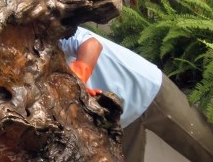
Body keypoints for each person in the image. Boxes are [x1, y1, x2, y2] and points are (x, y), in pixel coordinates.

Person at [60, 27, 213, 162]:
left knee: (205, 146)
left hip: (145, 89)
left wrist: (76, 81)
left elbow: (91, 44)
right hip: (113, 118)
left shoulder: (48, 33)